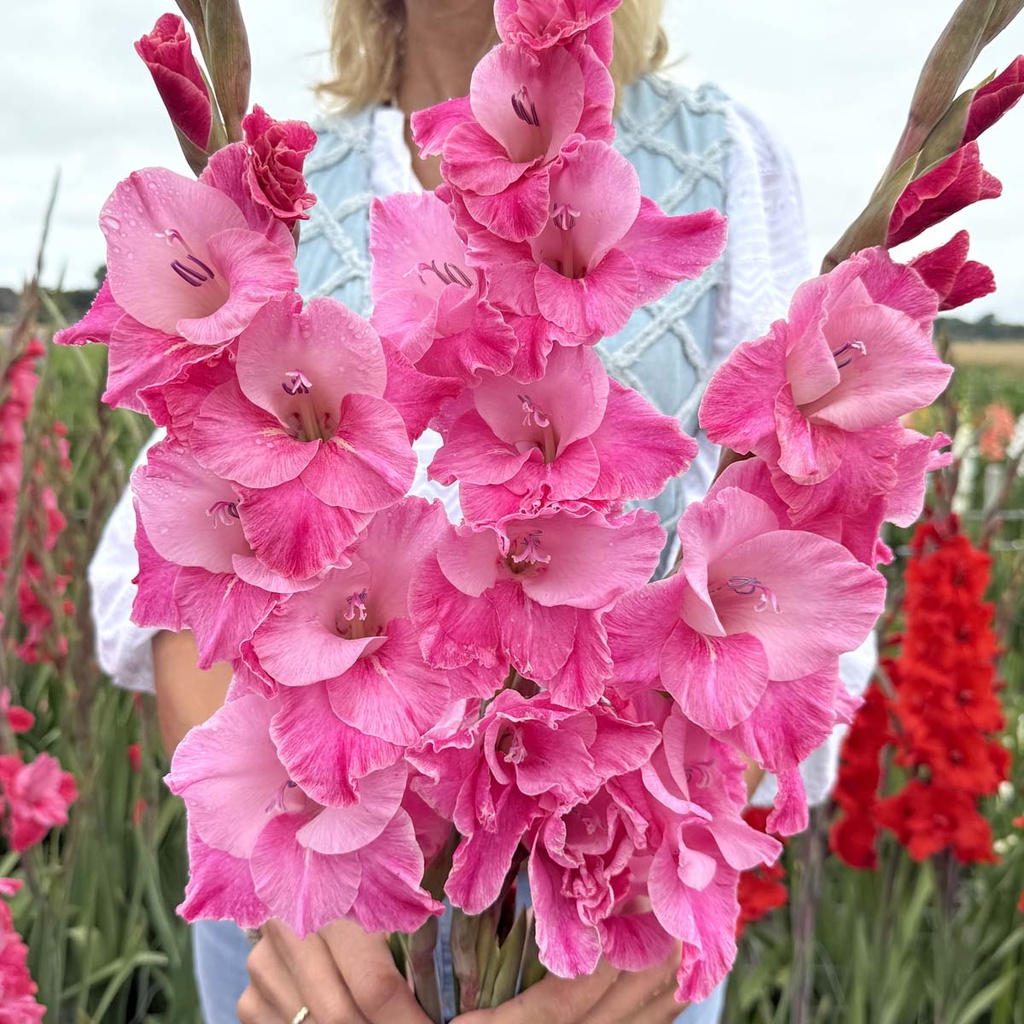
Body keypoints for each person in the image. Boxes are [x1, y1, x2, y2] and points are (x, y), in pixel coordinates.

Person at [89, 0, 875, 1021]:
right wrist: (289, 879)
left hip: (604, 952)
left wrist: (660, 884)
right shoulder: (270, 186)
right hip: (309, 949)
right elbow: (178, 579)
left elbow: (804, 587)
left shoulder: (715, 158)